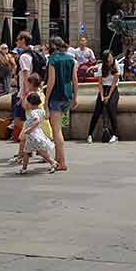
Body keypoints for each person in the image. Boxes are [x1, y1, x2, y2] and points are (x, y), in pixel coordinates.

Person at [45, 37, 78, 171]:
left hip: (56, 96)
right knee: (60, 130)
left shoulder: (53, 59)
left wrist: (46, 100)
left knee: (56, 131)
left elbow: (51, 81)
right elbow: (75, 80)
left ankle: (62, 162)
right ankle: (58, 160)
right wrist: (75, 97)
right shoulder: (71, 59)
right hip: (67, 96)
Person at [18, 92, 58, 174]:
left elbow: (36, 122)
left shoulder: (33, 112)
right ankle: (24, 168)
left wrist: (30, 129)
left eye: (27, 102)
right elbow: (46, 117)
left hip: (33, 135)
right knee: (28, 151)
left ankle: (53, 162)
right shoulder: (41, 111)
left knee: (37, 151)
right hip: (37, 133)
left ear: (30, 103)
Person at [86, 50, 120, 143]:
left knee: (111, 108)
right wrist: (101, 95)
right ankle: (89, 134)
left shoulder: (116, 64)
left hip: (113, 89)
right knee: (97, 110)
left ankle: (115, 134)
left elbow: (114, 83)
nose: (110, 61)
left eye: (111, 58)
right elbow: (100, 83)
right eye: (108, 59)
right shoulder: (101, 67)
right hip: (103, 88)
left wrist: (108, 96)